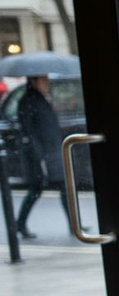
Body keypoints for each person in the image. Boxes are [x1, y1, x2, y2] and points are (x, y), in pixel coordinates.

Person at [15, 75, 68, 239]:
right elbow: (30, 132)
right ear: (33, 82)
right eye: (43, 80)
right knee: (35, 190)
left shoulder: (42, 100)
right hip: (39, 156)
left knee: (65, 188)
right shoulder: (28, 102)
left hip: (51, 152)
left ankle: (75, 224)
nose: (47, 83)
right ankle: (20, 224)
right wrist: (40, 157)